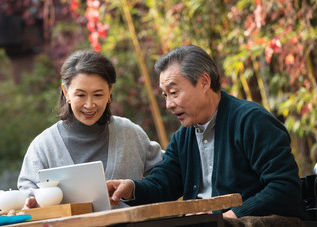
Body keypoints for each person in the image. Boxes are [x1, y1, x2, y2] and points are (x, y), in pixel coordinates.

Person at [107, 45, 310, 220]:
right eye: (165, 95)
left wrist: (229, 217)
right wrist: (131, 188)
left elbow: (284, 187)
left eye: (174, 92)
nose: (168, 104)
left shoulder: (251, 121)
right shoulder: (182, 137)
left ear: (204, 82)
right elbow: (163, 184)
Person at [18, 50, 163, 208]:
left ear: (109, 92)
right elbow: (28, 196)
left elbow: (165, 176)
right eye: (81, 95)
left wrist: (134, 189)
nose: (89, 105)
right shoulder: (43, 147)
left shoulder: (130, 134)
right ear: (66, 92)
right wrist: (32, 204)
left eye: (98, 95)